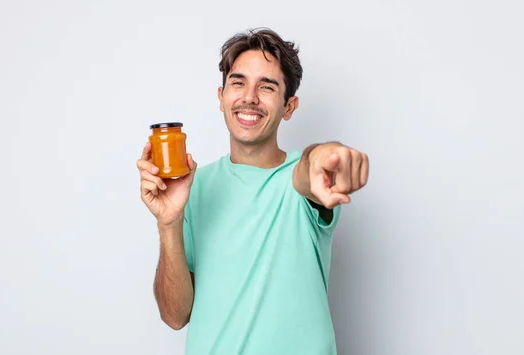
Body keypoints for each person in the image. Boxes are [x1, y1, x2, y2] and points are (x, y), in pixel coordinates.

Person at [136, 28, 369, 355]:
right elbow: (175, 317)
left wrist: (324, 157)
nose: (249, 97)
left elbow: (309, 167)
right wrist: (168, 222)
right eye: (239, 82)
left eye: (267, 87)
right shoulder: (191, 186)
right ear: (221, 97)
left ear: (289, 106)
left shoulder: (302, 181)